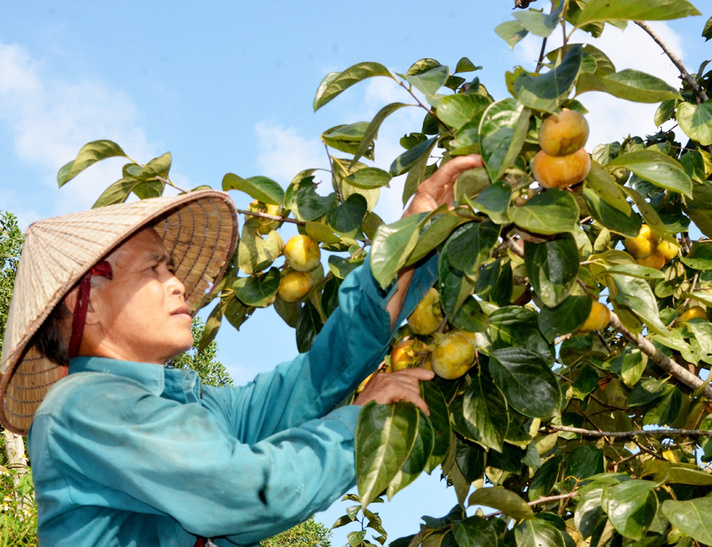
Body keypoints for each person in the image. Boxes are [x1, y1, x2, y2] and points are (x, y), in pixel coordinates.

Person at [0, 154, 483, 546]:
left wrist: (408, 236)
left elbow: (312, 380)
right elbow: (248, 490)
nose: (178, 287)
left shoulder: (187, 408)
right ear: (84, 298)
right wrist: (358, 422)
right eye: (155, 270)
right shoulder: (81, 408)